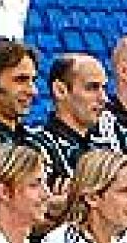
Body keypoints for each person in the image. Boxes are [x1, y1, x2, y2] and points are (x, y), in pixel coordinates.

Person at [29, 53, 110, 188]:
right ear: (60, 90)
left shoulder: (108, 145)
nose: (103, 98)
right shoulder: (38, 147)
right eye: (92, 88)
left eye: (104, 88)